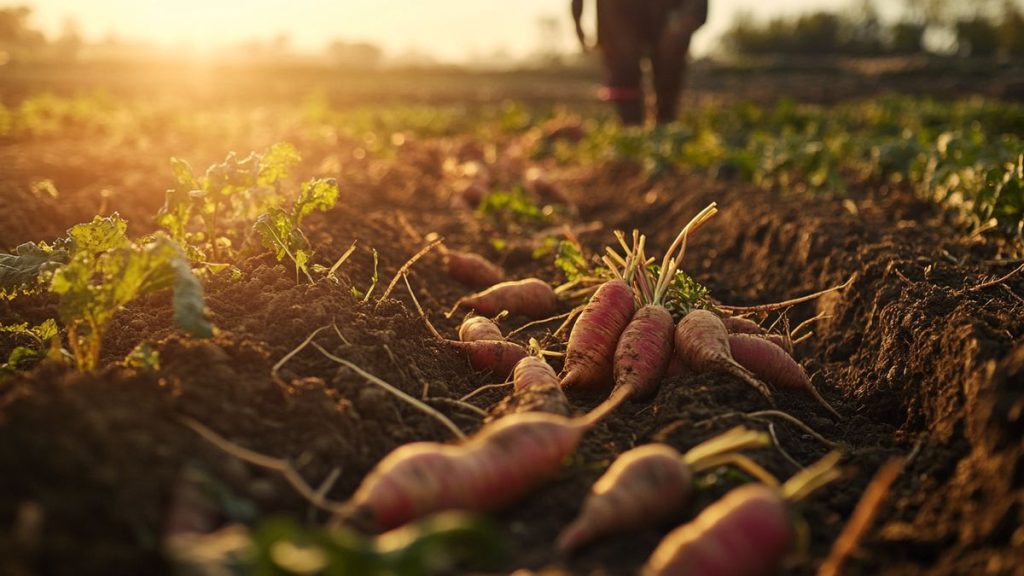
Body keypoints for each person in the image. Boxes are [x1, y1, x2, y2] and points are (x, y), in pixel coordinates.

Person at [572, 0, 708, 125]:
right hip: (617, 14)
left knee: (668, 73)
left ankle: (665, 125)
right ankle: (631, 130)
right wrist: (577, 21)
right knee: (623, 72)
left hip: (667, 13)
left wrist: (685, 21)